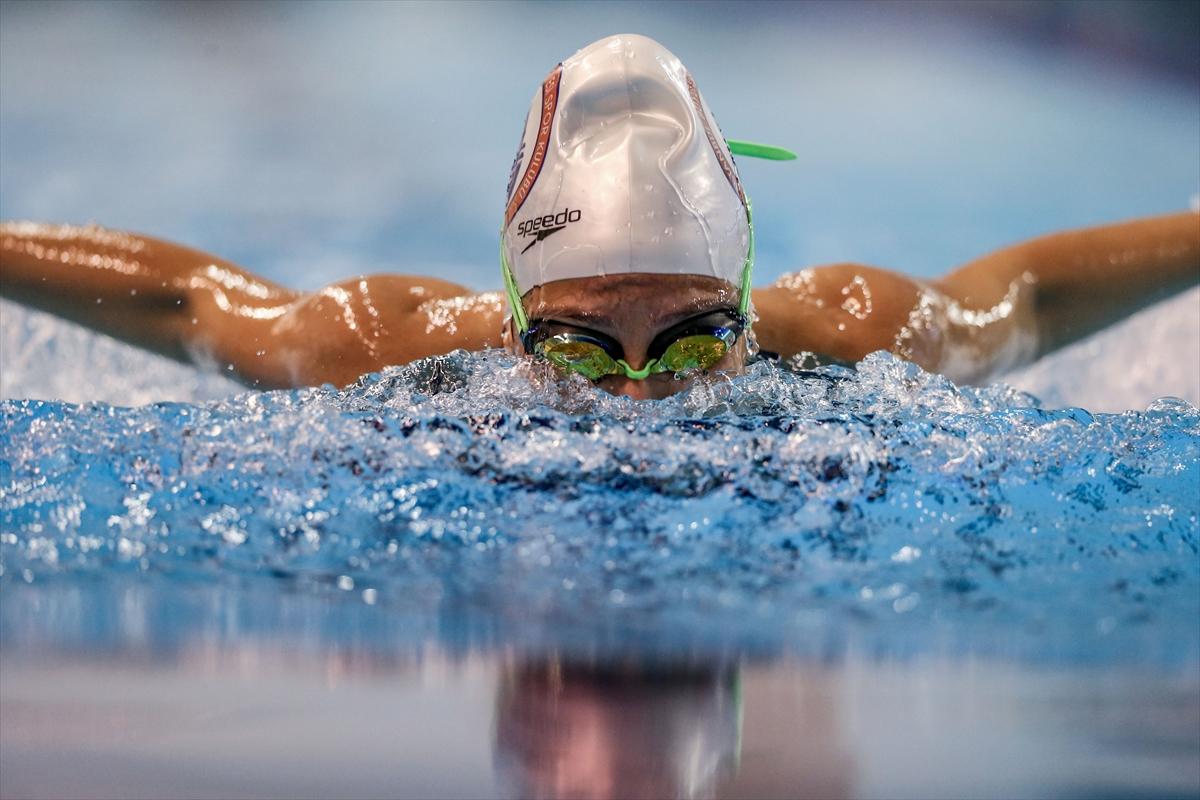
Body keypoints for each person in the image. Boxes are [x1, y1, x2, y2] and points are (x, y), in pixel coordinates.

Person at [1, 34, 1197, 400]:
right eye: (577, 345)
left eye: (690, 340)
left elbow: (1020, 299)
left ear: (744, 303)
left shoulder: (837, 333)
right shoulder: (387, 346)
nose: (638, 399)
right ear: (514, 310)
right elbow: (199, 301)